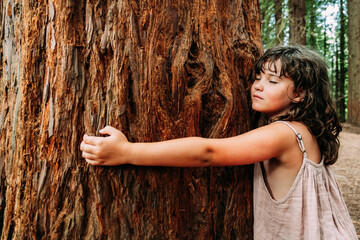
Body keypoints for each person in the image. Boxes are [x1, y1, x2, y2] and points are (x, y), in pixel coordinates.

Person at [80, 46, 357, 239]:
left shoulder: (284, 134)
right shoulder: (305, 132)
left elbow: (208, 152)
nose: (258, 85)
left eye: (273, 81)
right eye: (257, 77)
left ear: (299, 94)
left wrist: (127, 152)